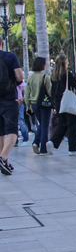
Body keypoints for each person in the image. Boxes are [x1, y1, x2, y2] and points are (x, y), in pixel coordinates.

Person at [47, 54, 76, 156]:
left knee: (62, 124)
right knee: (72, 124)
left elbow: (51, 90)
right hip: (67, 101)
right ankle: (73, 149)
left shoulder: (53, 74)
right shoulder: (66, 74)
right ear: (64, 62)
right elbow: (75, 85)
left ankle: (52, 142)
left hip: (57, 102)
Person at [0, 46, 24, 175]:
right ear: (2, 43)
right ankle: (3, 158)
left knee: (1, 132)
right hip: (9, 98)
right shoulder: (10, 56)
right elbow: (20, 77)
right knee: (12, 131)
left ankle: (5, 161)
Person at [24, 57, 52, 155]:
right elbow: (50, 91)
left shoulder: (30, 77)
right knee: (45, 125)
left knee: (42, 124)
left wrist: (28, 106)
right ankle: (42, 148)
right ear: (42, 65)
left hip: (34, 104)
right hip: (44, 104)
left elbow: (27, 93)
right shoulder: (45, 77)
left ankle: (36, 142)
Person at [16, 81, 29, 147]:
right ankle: (15, 140)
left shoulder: (17, 80)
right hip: (14, 101)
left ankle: (25, 139)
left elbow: (26, 87)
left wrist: (23, 98)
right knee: (15, 121)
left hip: (18, 102)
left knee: (20, 120)